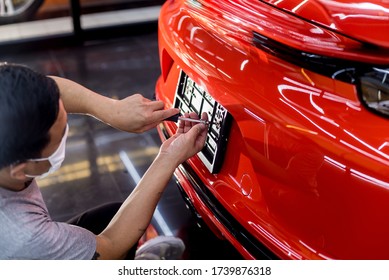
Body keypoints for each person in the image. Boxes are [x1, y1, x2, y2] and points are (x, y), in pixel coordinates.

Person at [0, 62, 208, 260]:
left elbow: (46, 93)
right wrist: (168, 157)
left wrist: (111, 110)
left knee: (108, 217)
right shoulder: (26, 237)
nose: (67, 133)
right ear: (20, 169)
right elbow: (110, 247)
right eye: (62, 134)